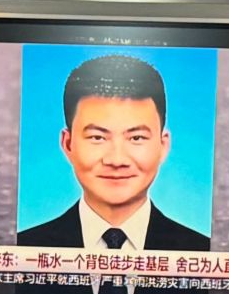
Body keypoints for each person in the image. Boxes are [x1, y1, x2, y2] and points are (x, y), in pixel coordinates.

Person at [16, 53, 211, 252]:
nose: (117, 160)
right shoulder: (22, 249)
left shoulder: (203, 253)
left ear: (163, 146)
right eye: (97, 137)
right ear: (68, 144)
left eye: (136, 138)